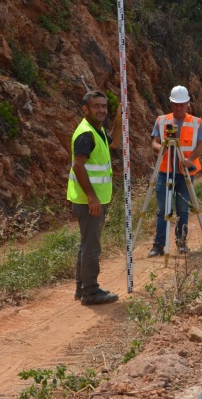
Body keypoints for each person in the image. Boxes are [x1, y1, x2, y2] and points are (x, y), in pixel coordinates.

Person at [67, 90, 122, 305]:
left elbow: (115, 143)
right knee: (91, 247)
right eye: (96, 106)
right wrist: (92, 197)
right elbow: (78, 165)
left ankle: (83, 288)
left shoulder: (97, 131)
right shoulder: (86, 134)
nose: (101, 110)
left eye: (103, 106)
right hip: (88, 201)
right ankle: (91, 292)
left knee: (86, 245)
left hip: (91, 199)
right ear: (85, 109)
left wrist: (119, 119)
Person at [148, 85, 202, 257]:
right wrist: (160, 148)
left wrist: (190, 159)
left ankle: (181, 243)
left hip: (185, 173)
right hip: (165, 171)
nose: (178, 108)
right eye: (175, 104)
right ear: (171, 103)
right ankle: (158, 245)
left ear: (188, 103)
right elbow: (154, 142)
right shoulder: (162, 120)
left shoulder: (196, 122)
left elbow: (201, 146)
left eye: (181, 104)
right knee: (163, 210)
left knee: (182, 209)